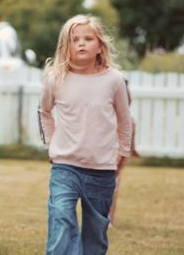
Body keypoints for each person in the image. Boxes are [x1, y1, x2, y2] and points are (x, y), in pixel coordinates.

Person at [38, 14, 132, 255]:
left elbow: (124, 119)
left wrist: (123, 151)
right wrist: (51, 144)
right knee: (60, 218)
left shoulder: (114, 80)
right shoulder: (55, 79)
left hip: (101, 169)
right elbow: (44, 112)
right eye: (74, 39)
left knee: (95, 233)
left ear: (100, 45)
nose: (81, 43)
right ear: (65, 46)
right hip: (65, 166)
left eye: (88, 38)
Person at [108, 78, 140, 227]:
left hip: (118, 156)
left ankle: (109, 220)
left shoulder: (129, 119)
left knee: (114, 188)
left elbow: (129, 133)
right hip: (103, 153)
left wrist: (131, 149)